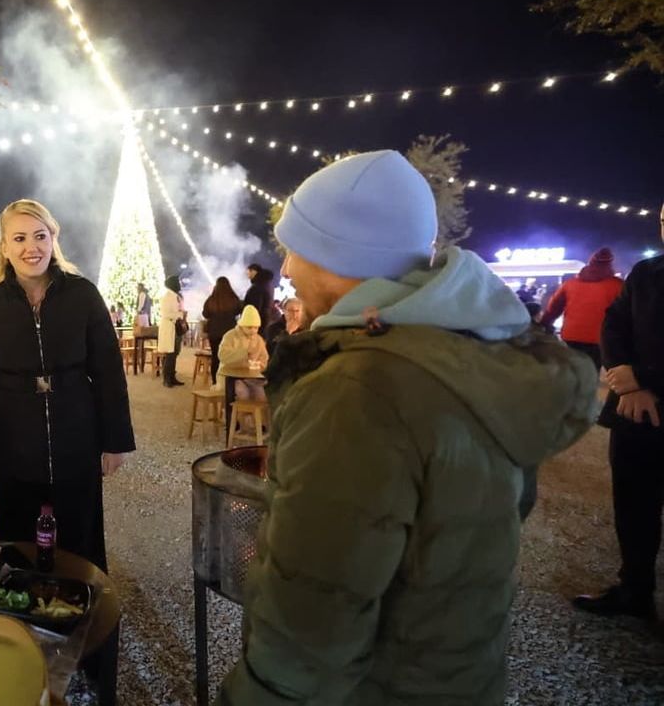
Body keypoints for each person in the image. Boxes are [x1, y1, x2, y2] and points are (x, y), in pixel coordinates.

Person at [217, 150, 598, 705]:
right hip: (457, 672)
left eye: (294, 247)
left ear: (337, 253)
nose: (290, 269)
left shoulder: (359, 388)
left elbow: (316, 610)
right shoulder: (464, 352)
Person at [0, 199, 134, 693]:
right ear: (5, 247)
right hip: (12, 446)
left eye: (39, 235)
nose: (30, 247)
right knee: (19, 551)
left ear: (53, 238)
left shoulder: (83, 296)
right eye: (19, 238)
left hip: (78, 440)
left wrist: (114, 440)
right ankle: (25, 652)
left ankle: (90, 656)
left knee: (82, 548)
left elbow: (109, 373)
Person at [572, 207, 664, 623]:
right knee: (633, 505)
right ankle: (635, 590)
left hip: (643, 396)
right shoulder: (647, 273)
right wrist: (627, 382)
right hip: (634, 410)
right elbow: (614, 326)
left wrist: (642, 378)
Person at [541, 248, 623, 370]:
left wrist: (544, 324)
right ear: (609, 265)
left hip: (571, 335)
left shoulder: (570, 284)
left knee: (573, 371)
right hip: (601, 338)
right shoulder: (618, 285)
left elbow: (553, 307)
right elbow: (627, 311)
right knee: (592, 372)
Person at [217, 305, 269, 431]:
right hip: (230, 376)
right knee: (242, 393)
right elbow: (222, 356)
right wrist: (243, 353)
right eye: (249, 327)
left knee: (261, 394)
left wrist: (259, 365)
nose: (253, 331)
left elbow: (264, 358)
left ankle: (257, 422)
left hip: (251, 376)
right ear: (242, 325)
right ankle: (235, 421)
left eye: (256, 328)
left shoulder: (259, 340)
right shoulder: (230, 336)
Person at [202, 276, 243, 385]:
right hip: (230, 332)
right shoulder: (233, 298)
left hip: (214, 332)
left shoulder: (211, 299)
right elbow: (240, 310)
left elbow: (205, 314)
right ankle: (228, 382)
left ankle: (216, 382)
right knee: (230, 356)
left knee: (216, 356)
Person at [157, 274, 186, 387]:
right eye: (177, 282)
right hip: (169, 325)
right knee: (170, 353)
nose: (179, 284)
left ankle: (172, 377)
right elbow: (166, 313)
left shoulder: (175, 296)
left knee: (174, 353)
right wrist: (180, 314)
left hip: (174, 326)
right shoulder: (167, 296)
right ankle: (167, 379)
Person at [243, 263, 276, 335]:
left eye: (248, 272)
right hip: (265, 319)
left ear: (254, 271)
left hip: (257, 322)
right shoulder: (266, 283)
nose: (247, 274)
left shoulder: (257, 286)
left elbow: (255, 307)